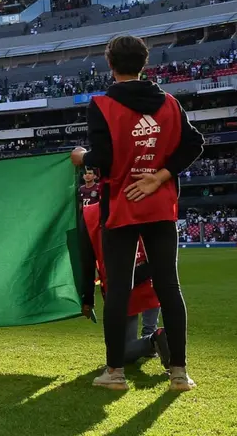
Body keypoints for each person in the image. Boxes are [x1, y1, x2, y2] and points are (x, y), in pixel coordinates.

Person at [71, 35, 203, 392]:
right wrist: (159, 176)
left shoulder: (101, 104)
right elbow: (194, 144)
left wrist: (82, 157)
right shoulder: (171, 103)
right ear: (144, 63)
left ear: (109, 64)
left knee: (118, 290)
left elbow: (104, 160)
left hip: (121, 205)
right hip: (160, 205)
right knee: (169, 287)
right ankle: (179, 372)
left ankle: (115, 373)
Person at [79, 204, 170, 385]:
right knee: (147, 320)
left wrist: (88, 298)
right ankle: (154, 339)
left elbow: (87, 261)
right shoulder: (139, 197)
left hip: (120, 283)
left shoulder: (90, 214)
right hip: (150, 276)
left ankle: (153, 340)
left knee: (120, 352)